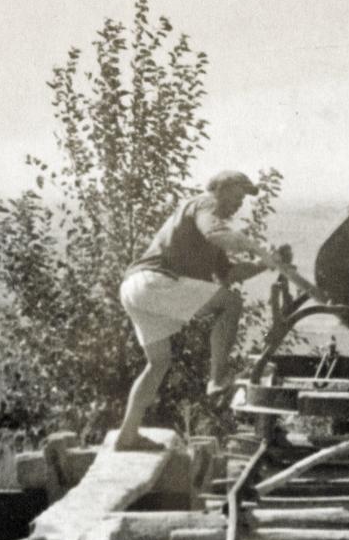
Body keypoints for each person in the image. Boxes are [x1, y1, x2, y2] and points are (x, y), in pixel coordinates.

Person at [115, 170, 319, 450]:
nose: (240, 203)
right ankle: (218, 378)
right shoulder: (204, 203)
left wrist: (266, 263)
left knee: (158, 363)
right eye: (238, 195)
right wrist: (254, 246)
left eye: (244, 199)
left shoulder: (209, 232)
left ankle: (127, 435)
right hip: (154, 282)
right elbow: (216, 233)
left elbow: (229, 274)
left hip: (134, 289)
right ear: (222, 188)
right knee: (231, 303)